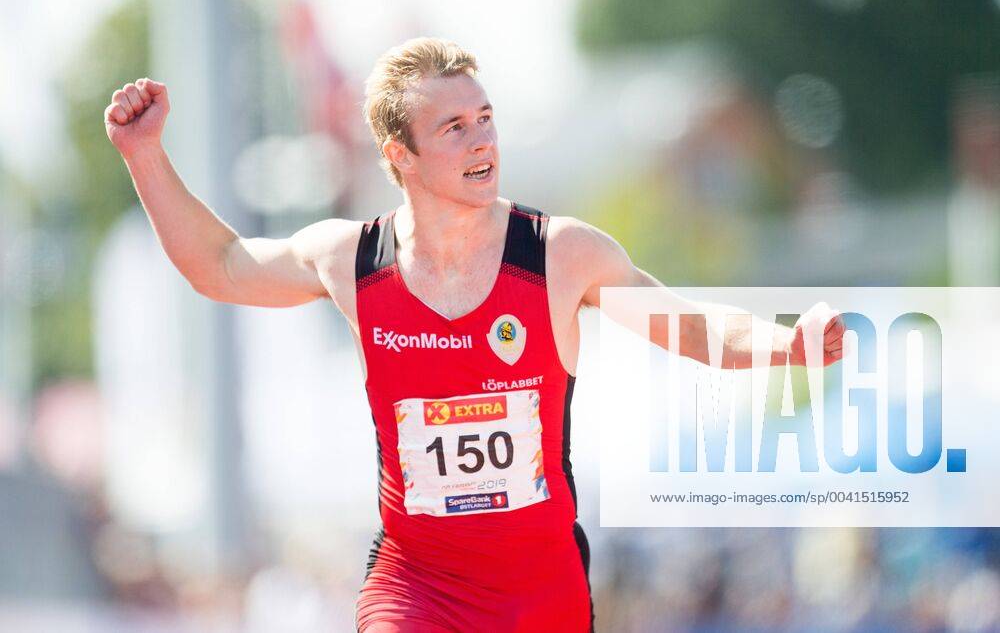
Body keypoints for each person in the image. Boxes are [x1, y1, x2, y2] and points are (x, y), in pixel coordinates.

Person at [104, 37, 844, 632]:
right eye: (453, 127)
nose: (480, 139)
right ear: (401, 156)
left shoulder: (559, 253)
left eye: (485, 118)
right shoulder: (352, 260)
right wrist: (145, 154)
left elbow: (681, 322)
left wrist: (786, 343)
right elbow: (223, 265)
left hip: (541, 593)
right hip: (418, 587)